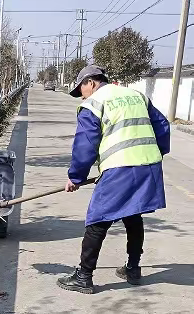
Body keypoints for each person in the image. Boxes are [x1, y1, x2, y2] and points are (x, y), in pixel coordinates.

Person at [57, 65, 170, 294]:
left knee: (98, 219)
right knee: (132, 214)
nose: (82, 95)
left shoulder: (93, 103)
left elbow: (86, 144)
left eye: (81, 89)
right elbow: (163, 126)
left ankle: (84, 276)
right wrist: (154, 153)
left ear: (90, 82)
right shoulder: (136, 95)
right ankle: (133, 268)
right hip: (148, 165)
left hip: (120, 169)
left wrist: (75, 177)